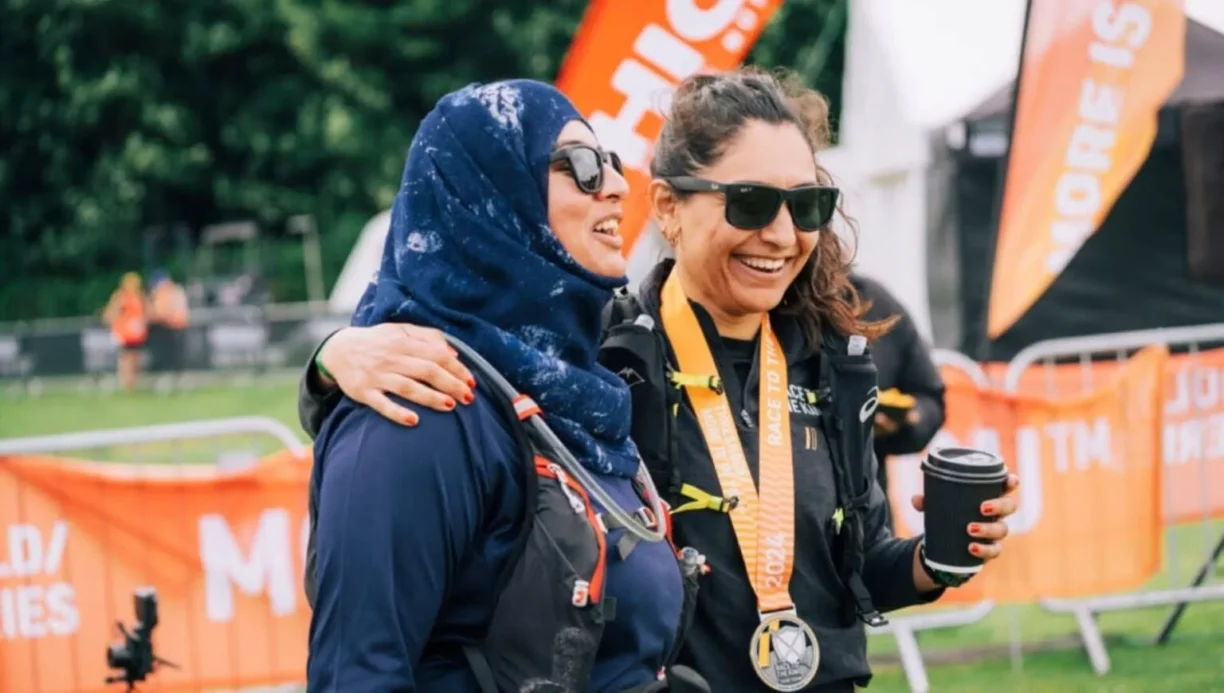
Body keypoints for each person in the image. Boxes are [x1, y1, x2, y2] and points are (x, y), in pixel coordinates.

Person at [302, 69, 1020, 692]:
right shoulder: (605, 359)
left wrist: (938, 558)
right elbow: (431, 404)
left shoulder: (830, 363)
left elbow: (858, 566)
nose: (779, 232)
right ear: (669, 208)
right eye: (748, 202)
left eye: (805, 207)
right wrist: (332, 357)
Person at [304, 80, 698, 693]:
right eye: (584, 168)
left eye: (614, 164)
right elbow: (359, 675)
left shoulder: (581, 389)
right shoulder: (419, 406)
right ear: (488, 193)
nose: (619, 187)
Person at [850, 274, 946, 496]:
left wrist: (908, 419)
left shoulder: (873, 300)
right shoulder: (770, 305)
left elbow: (930, 399)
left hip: (865, 510)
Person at [102, 271, 149, 392]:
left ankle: (133, 384)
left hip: (136, 334)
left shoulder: (140, 297)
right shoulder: (121, 297)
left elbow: (147, 313)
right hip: (124, 334)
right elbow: (109, 315)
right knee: (125, 359)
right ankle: (125, 384)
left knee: (135, 359)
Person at [148, 269, 191, 389]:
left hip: (173, 327)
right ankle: (173, 379)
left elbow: (162, 311)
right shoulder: (170, 292)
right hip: (168, 327)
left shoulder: (170, 292)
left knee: (174, 356)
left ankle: (174, 380)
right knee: (170, 356)